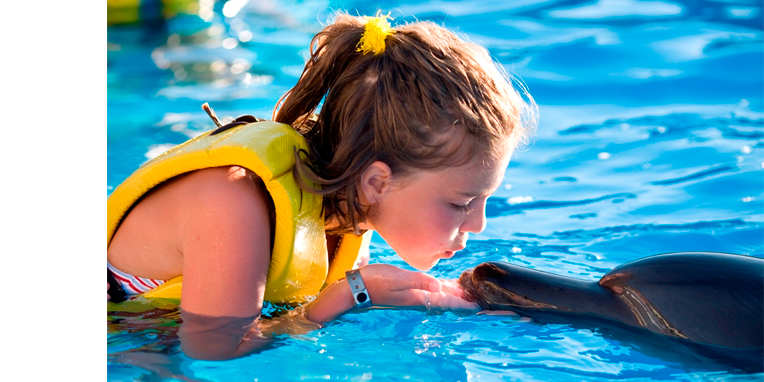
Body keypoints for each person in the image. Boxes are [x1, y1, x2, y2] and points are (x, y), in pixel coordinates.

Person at [107, 12, 536, 360]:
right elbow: (212, 350)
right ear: (377, 182)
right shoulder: (233, 203)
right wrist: (355, 293)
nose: (479, 224)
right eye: (462, 203)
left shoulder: (350, 211)